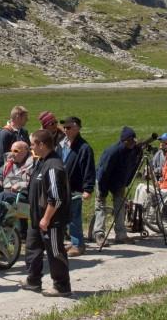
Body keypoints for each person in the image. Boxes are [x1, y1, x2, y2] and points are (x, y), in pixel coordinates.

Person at [21, 129, 72, 297]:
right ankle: (33, 280)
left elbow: (56, 198)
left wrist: (46, 218)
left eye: (33, 144)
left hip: (51, 220)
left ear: (42, 145)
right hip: (37, 218)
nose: (31, 147)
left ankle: (62, 286)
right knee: (32, 249)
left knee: (55, 252)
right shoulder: (41, 162)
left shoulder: (53, 166)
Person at [92, 127, 142, 245]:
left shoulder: (135, 151)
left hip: (119, 182)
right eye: (130, 141)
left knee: (120, 207)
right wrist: (103, 191)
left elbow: (133, 168)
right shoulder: (112, 152)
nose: (133, 143)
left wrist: (126, 183)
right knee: (101, 206)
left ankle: (121, 235)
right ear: (124, 141)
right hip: (103, 180)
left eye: (134, 141)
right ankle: (99, 234)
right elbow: (103, 172)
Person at [58, 116, 95, 257]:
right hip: (62, 187)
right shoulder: (62, 144)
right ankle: (72, 242)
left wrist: (88, 189)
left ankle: (78, 245)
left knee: (74, 217)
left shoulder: (84, 148)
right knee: (65, 217)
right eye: (64, 128)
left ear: (77, 128)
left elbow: (89, 170)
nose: (66, 130)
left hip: (75, 188)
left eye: (69, 128)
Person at [0, 140, 34, 232]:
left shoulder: (33, 164)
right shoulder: (9, 162)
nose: (12, 153)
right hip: (7, 194)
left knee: (3, 195)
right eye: (11, 150)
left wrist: (19, 185)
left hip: (23, 197)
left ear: (26, 151)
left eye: (16, 151)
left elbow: (35, 182)